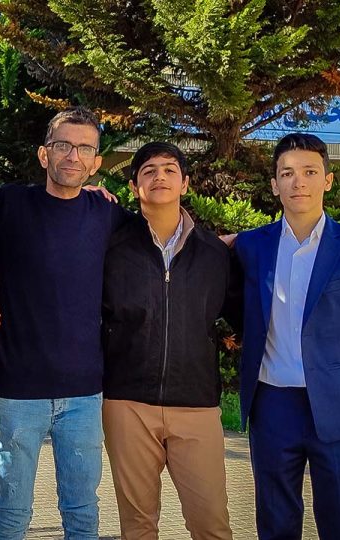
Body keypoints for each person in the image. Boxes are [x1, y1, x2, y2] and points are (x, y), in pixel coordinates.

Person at [234, 133, 340, 539]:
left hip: (339, 409)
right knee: (275, 523)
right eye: (287, 173)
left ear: (328, 180)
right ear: (275, 184)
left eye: (309, 172)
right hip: (272, 405)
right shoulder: (251, 246)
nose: (298, 182)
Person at [0, 106, 129, 540]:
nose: (73, 156)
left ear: (96, 162)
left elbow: (160, 244)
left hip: (84, 393)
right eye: (63, 145)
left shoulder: (107, 214)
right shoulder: (6, 203)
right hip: (17, 390)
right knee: (12, 512)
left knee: (82, 512)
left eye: (85, 148)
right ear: (44, 154)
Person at [101, 142, 240, 540]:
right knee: (138, 526)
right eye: (148, 171)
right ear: (134, 187)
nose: (159, 176)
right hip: (127, 404)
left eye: (169, 170)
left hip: (196, 404)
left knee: (211, 523)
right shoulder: (112, 247)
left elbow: (242, 316)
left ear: (185, 183)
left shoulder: (214, 253)